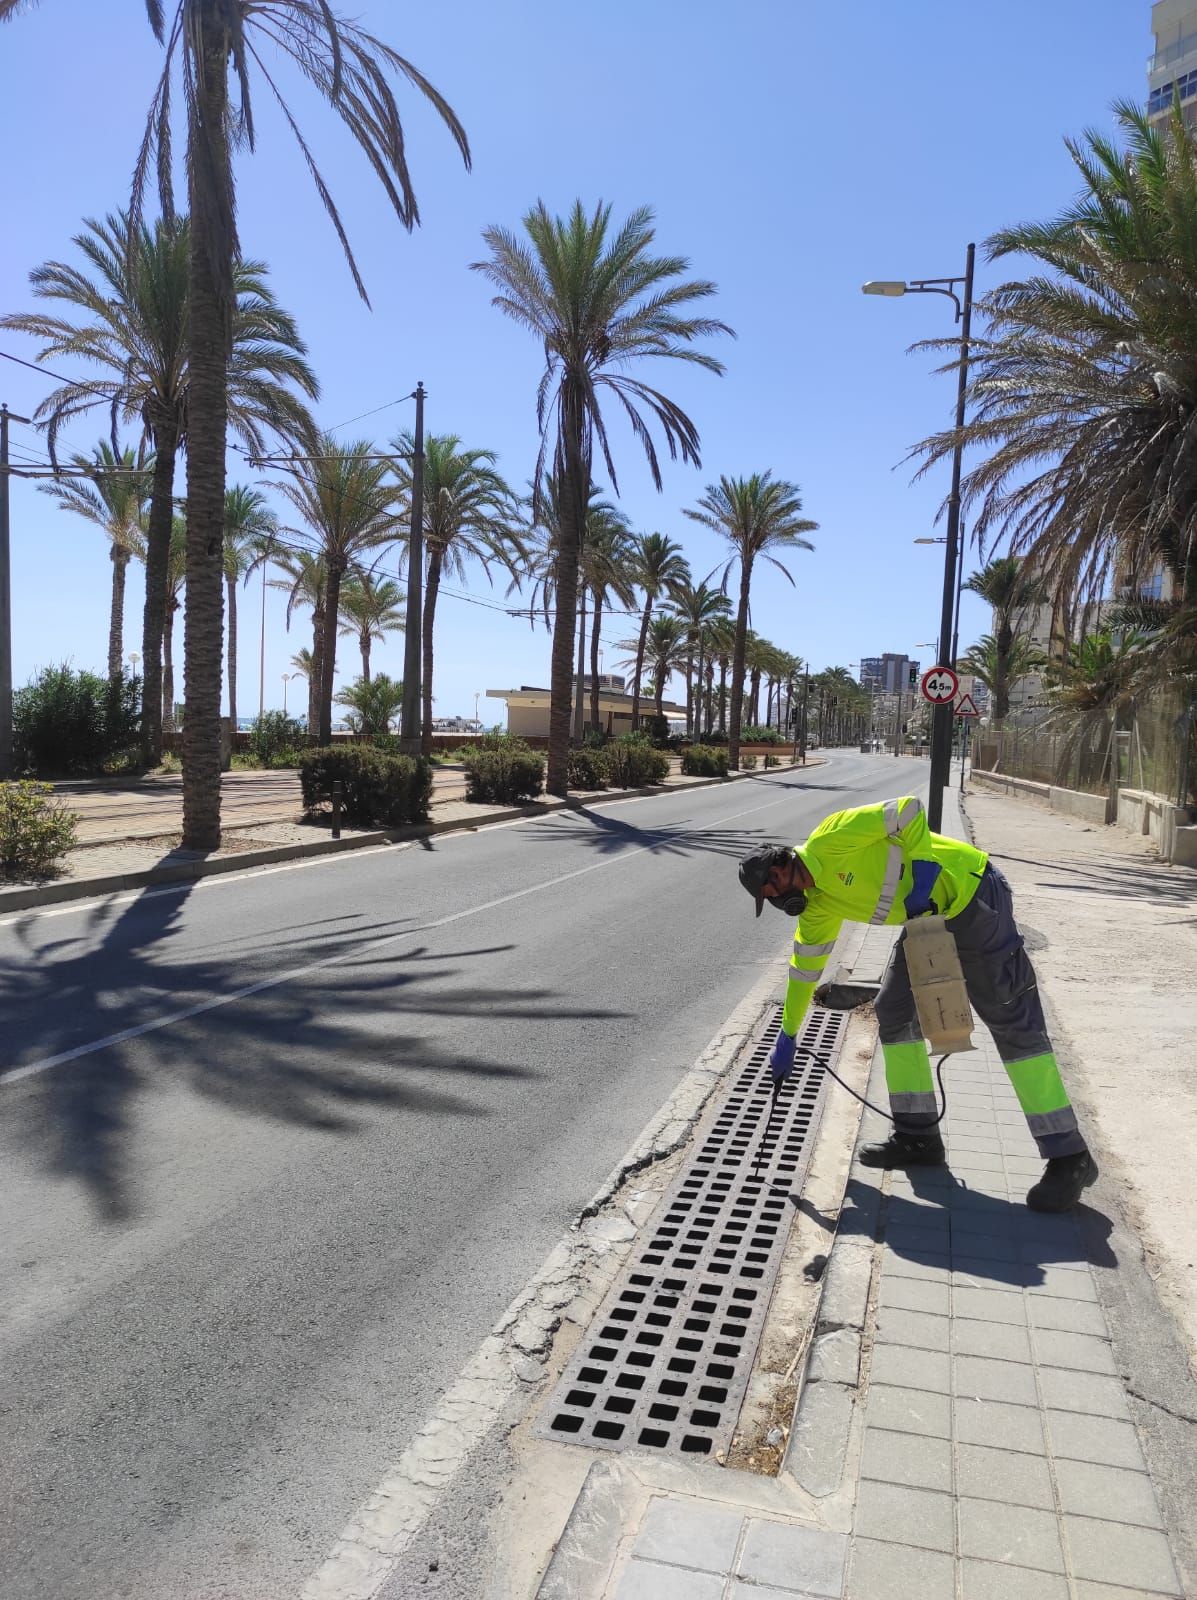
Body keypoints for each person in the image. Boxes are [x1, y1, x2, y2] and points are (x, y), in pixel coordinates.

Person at [738, 795, 1097, 1212]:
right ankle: (918, 1135)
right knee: (894, 1011)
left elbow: (907, 809)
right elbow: (804, 971)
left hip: (970, 893)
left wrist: (923, 869)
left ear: (781, 871)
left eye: (772, 893)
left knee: (1011, 1021)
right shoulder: (817, 907)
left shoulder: (830, 837)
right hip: (927, 919)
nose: (779, 904)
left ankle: (1069, 1157)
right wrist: (788, 1034)